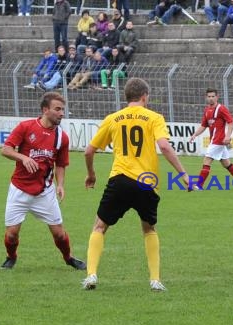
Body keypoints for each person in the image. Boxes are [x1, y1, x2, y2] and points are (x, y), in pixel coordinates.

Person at [82, 78, 195, 291]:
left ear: (127, 97)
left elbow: (89, 151)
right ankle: (154, 280)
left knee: (99, 226)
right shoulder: (154, 117)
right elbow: (164, 146)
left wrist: (91, 175)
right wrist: (184, 174)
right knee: (148, 228)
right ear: (145, 96)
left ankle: (91, 276)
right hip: (147, 183)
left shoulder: (113, 118)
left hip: (120, 179)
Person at [0, 92, 86, 271]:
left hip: (44, 191)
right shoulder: (26, 127)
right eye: (57, 109)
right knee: (11, 235)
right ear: (45, 110)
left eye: (63, 109)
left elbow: (61, 164)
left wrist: (60, 184)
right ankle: (11, 257)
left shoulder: (62, 137)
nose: (62, 113)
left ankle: (68, 258)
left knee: (60, 235)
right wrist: (23, 158)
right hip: (19, 189)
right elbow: (6, 149)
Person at [188, 88, 233, 190]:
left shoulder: (221, 109)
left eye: (213, 96)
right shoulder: (207, 110)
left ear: (217, 97)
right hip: (215, 140)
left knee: (207, 160)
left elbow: (230, 122)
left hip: (218, 140)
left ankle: (198, 186)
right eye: (209, 96)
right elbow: (203, 125)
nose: (211, 98)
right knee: (226, 163)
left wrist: (228, 136)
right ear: (206, 97)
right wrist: (195, 134)